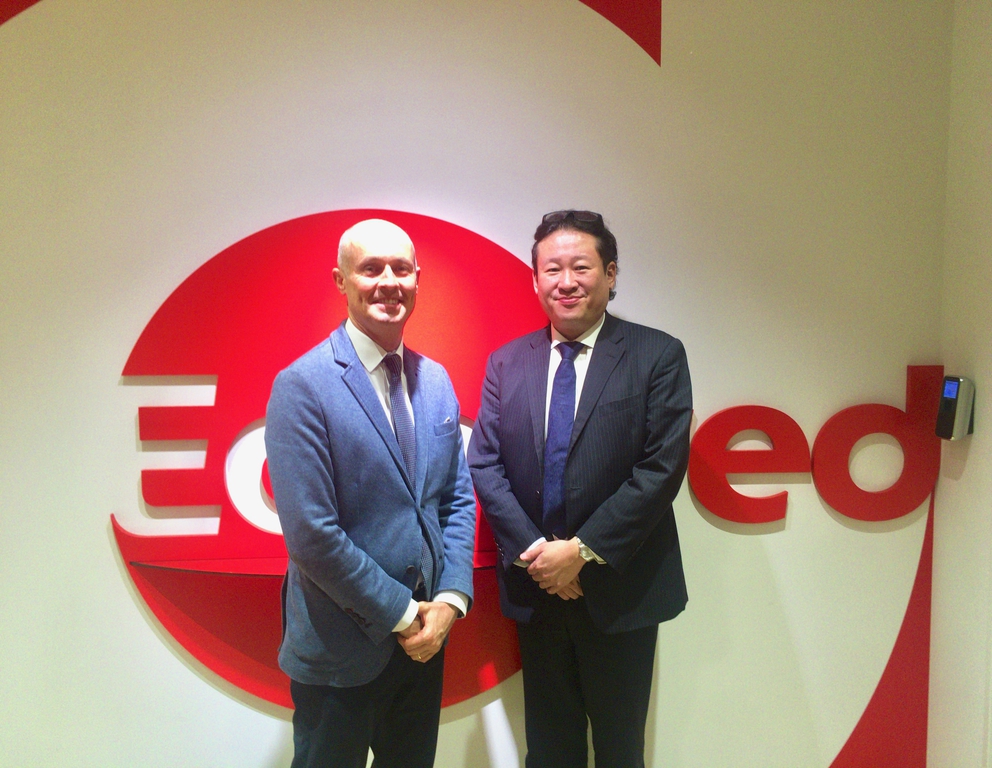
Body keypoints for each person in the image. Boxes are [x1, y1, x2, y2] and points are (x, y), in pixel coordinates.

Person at [468, 210, 692, 767]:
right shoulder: (506, 363)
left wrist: (582, 552)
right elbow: (485, 464)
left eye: (581, 267)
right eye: (552, 269)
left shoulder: (657, 355)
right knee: (549, 750)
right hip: (538, 590)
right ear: (535, 279)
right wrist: (541, 557)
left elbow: (660, 469)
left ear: (611, 274)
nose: (566, 281)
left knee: (620, 750)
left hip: (620, 589)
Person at [265, 218, 476, 768]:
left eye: (401, 269)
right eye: (371, 268)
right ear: (341, 280)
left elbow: (455, 499)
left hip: (425, 643)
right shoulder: (302, 386)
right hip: (340, 650)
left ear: (417, 278)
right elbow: (312, 536)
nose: (388, 282)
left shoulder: (436, 381)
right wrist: (403, 614)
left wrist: (450, 601)